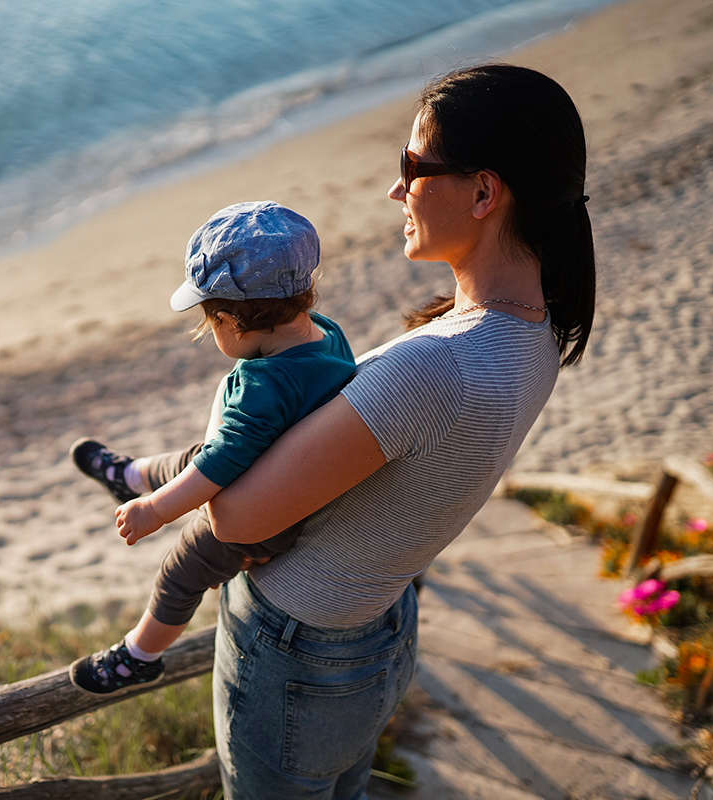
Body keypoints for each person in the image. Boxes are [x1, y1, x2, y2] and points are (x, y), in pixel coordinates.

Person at [93, 63, 593, 799]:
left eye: (413, 166)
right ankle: (137, 471)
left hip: (302, 653)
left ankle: (136, 482)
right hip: (377, 632)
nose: (397, 189)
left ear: (485, 192)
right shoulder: (541, 327)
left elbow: (231, 513)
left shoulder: (436, 366)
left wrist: (234, 396)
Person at [68, 201, 356, 694]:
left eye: (210, 325)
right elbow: (225, 453)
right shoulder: (327, 335)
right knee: (194, 456)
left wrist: (156, 512)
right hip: (292, 477)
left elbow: (222, 465)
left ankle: (140, 655)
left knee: (182, 569)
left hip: (265, 519)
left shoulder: (263, 385)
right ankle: (132, 476)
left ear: (230, 320)